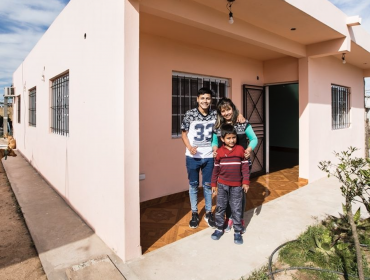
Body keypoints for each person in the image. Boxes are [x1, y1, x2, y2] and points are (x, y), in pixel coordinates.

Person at [212, 97, 258, 233]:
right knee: (225, 193)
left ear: (233, 108)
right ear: (220, 113)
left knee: (240, 194)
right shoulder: (217, 126)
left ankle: (240, 218)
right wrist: (214, 150)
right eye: (223, 111)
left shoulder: (242, 123)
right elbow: (214, 142)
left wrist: (248, 150)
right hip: (225, 166)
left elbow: (254, 138)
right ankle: (229, 218)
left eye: (228, 109)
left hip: (242, 164)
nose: (226, 113)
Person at [210, 124, 250, 244]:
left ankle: (237, 231)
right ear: (222, 139)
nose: (231, 140)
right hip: (222, 185)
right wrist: (213, 184)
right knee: (220, 207)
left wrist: (246, 182)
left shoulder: (240, 150)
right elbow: (215, 169)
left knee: (236, 208)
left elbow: (245, 168)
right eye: (228, 138)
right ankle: (219, 228)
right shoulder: (219, 153)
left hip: (237, 186)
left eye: (233, 137)